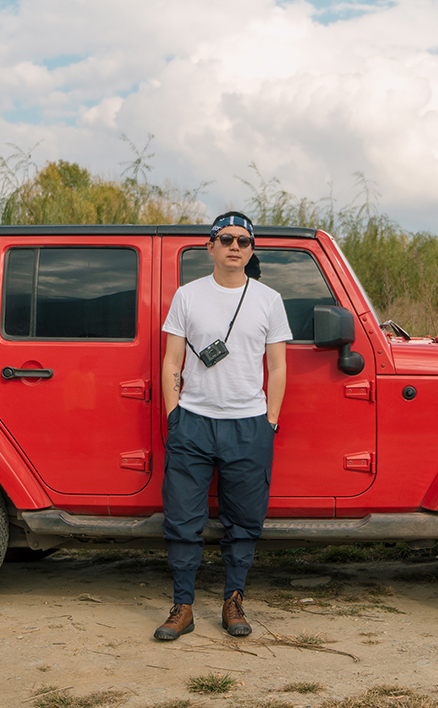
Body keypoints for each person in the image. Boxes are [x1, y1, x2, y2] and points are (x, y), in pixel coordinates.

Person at [155, 211, 291, 641]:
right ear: (210, 245)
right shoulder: (188, 296)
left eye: (244, 241)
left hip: (248, 425)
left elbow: (278, 365)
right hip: (193, 422)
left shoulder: (268, 299)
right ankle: (183, 605)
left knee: (245, 520)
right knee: (182, 518)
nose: (236, 246)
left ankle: (233, 600)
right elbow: (171, 361)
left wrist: (270, 420)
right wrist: (175, 414)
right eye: (226, 238)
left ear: (251, 250)